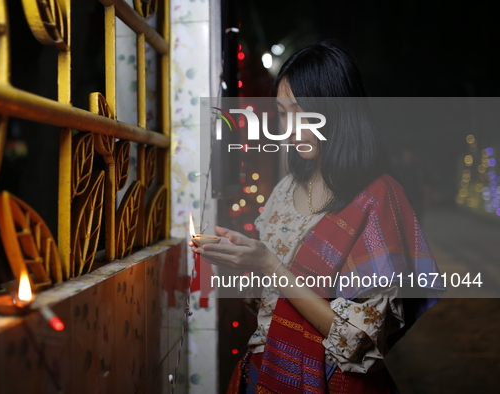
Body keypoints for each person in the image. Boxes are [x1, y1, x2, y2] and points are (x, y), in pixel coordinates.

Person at [190, 41, 445, 393]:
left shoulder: (378, 199)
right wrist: (241, 264)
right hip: (263, 375)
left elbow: (359, 342)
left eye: (302, 112)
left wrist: (270, 265)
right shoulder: (284, 189)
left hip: (330, 382)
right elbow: (267, 307)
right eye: (282, 113)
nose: (289, 127)